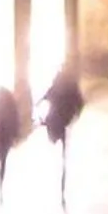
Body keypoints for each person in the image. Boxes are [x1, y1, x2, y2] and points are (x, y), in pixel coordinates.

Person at [40, 63, 85, 203]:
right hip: (65, 120)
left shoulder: (57, 81)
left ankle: (58, 170)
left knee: (55, 143)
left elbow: (47, 95)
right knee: (63, 150)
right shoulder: (71, 83)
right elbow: (80, 102)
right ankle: (62, 184)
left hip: (55, 120)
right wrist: (76, 114)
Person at [0, 84, 21, 199]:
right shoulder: (11, 104)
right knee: (4, 156)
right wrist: (16, 134)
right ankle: (1, 174)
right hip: (6, 135)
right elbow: (16, 119)